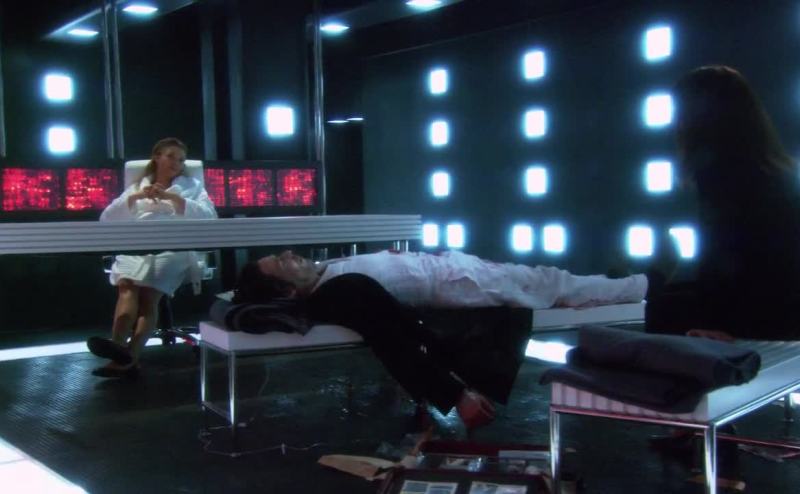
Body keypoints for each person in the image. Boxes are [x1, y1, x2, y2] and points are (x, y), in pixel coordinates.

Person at [233, 250, 647, 429]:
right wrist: (454, 393)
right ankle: (638, 287)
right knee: (550, 284)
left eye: (283, 253)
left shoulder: (325, 271)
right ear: (288, 292)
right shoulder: (338, 292)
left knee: (550, 282)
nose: (291, 254)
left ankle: (619, 284)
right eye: (283, 262)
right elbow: (393, 340)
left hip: (454, 268)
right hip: (461, 283)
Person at [645, 66, 800, 341]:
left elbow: (736, 271)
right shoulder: (775, 175)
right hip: (773, 328)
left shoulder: (726, 179)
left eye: (680, 113)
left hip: (754, 332)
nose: (676, 125)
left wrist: (726, 330)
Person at [87, 138, 218, 378]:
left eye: (181, 160)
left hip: (174, 248)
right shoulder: (137, 186)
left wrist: (173, 199)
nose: (176, 163)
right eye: (171, 156)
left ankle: (130, 357)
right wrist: (135, 198)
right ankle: (117, 346)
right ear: (157, 157)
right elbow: (107, 218)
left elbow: (210, 216)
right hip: (137, 246)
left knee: (149, 295)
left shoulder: (193, 186)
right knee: (127, 287)